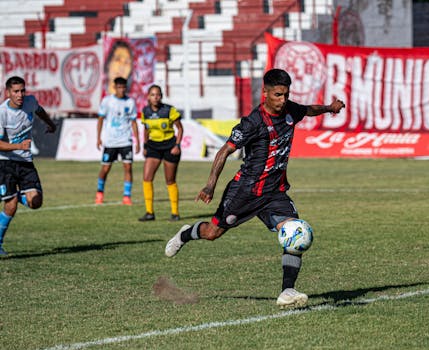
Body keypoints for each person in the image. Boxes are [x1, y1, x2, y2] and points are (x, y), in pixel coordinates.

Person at [164, 69, 345, 308]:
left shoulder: (290, 110)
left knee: (296, 232)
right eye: (278, 95)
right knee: (212, 233)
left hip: (275, 193)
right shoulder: (253, 122)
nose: (282, 100)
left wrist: (329, 108)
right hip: (245, 191)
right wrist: (210, 185)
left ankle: (287, 291)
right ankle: (186, 233)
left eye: (286, 94)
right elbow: (224, 151)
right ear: (266, 92)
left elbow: (308, 109)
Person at [0, 76, 57, 256]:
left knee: (36, 202)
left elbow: (39, 111)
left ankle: (14, 194)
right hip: (6, 162)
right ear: (8, 92)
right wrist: (18, 146)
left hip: (25, 162)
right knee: (11, 206)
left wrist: (50, 124)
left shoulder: (30, 102)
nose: (20, 95)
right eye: (16, 91)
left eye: (22, 90)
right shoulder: (2, 113)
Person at [138, 85, 184, 222]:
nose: (155, 97)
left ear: (161, 96)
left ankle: (175, 213)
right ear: (148, 97)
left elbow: (180, 129)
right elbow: (146, 130)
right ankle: (149, 212)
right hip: (153, 147)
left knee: (170, 180)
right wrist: (145, 145)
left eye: (158, 94)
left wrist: (177, 145)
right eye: (152, 94)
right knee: (147, 178)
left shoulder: (169, 110)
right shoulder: (145, 111)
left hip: (170, 146)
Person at [95, 77, 140, 205]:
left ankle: (127, 196)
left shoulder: (130, 102)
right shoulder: (107, 101)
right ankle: (99, 193)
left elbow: (133, 122)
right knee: (105, 168)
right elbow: (100, 119)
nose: (121, 89)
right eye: (119, 87)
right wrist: (98, 138)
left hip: (125, 140)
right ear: (114, 87)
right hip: (110, 141)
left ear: (126, 87)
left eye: (123, 87)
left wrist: (137, 140)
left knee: (128, 167)